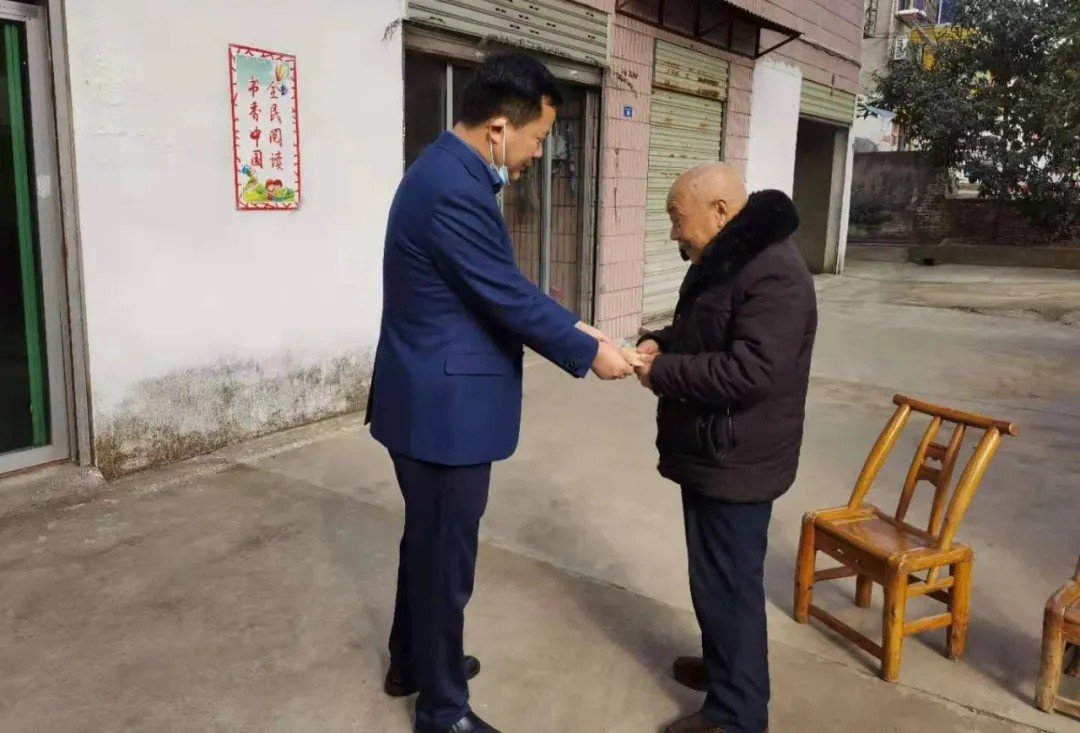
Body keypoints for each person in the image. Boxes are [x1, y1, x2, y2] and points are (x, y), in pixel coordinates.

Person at [366, 52, 634, 733]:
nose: (538, 153)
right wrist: (587, 351)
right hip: (443, 410)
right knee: (445, 563)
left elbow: (497, 284)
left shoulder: (445, 172)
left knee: (427, 544)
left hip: (428, 397)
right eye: (537, 138)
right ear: (498, 129)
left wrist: (581, 326)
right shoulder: (452, 189)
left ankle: (414, 661)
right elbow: (504, 295)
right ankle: (443, 709)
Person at [633, 163, 817, 733]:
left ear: (719, 212)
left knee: (730, 587)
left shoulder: (774, 272)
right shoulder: (728, 260)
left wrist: (663, 372)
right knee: (712, 579)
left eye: (676, 218)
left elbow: (750, 370)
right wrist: (658, 342)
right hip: (712, 451)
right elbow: (705, 331)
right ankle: (722, 668)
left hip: (738, 458)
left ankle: (738, 714)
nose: (673, 232)